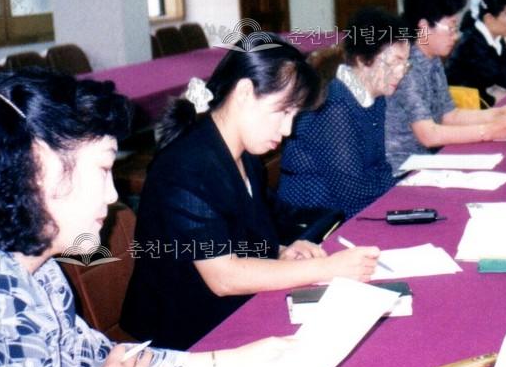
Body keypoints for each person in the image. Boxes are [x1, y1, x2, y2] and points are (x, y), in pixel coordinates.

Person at [0, 70, 301, 367]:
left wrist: (235, 362)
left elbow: (103, 363)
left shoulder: (37, 268)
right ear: (41, 167)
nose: (112, 195)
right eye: (103, 169)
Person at [121, 34, 380, 350]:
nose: (287, 131)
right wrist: (324, 268)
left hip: (228, 310)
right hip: (185, 335)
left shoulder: (242, 155)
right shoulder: (187, 166)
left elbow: (243, 233)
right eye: (282, 113)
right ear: (244, 92)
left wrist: (282, 251)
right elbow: (224, 276)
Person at [278, 8, 411, 219]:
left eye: (405, 62)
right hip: (317, 220)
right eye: (395, 62)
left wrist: (405, 181)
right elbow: (354, 193)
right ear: (362, 60)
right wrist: (407, 182)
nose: (402, 71)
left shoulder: (375, 96)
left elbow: (379, 166)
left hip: (351, 208)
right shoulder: (334, 106)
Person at [384, 0, 506, 170]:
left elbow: (449, 115)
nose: (456, 36)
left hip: (430, 159)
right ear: (424, 27)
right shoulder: (405, 67)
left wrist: (496, 114)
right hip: (404, 169)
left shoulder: (432, 60)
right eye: (450, 28)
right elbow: (429, 135)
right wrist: (490, 131)